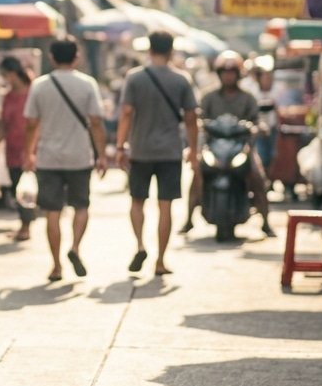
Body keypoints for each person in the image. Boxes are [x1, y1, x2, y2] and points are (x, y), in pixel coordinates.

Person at [22, 39, 108, 281]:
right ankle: (75, 248)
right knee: (81, 206)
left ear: (51, 58)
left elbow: (31, 124)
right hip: (79, 156)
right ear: (76, 57)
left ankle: (56, 265)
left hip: (48, 157)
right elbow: (97, 122)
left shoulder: (40, 86)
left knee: (52, 211)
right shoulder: (87, 84)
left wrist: (29, 153)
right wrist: (102, 154)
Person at [115, 31, 198, 276]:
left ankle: (140, 245)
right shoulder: (181, 80)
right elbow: (191, 117)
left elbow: (126, 113)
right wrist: (193, 150)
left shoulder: (134, 78)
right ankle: (160, 261)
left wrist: (120, 146)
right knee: (166, 207)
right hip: (170, 152)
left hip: (140, 150)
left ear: (149, 50)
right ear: (171, 51)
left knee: (137, 201)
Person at [180, 51, 275, 239]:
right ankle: (188, 218)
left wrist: (257, 128)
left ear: (238, 74)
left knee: (257, 177)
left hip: (241, 147)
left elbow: (257, 120)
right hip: (214, 147)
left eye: (232, 72)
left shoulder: (247, 98)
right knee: (197, 175)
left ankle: (265, 222)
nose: (228, 75)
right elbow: (199, 117)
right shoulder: (209, 97)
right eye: (224, 72)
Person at [0, 56, 35, 241]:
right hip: (12, 148)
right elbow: (3, 125)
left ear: (12, 74)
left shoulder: (34, 92)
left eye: (5, 75)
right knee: (15, 187)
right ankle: (24, 224)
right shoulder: (8, 97)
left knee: (29, 189)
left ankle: (26, 226)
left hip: (32, 148)